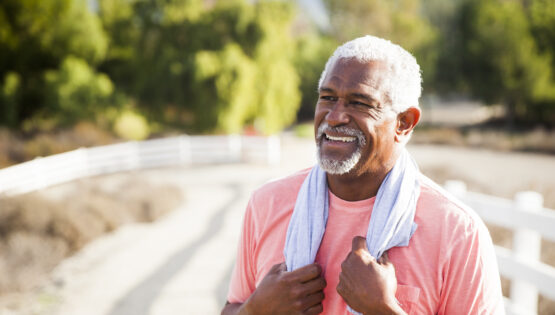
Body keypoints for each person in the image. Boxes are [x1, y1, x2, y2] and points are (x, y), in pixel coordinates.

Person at [221, 35, 505, 315]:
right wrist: (256, 310)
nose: (334, 116)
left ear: (404, 123)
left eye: (359, 103)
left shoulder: (457, 231)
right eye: (327, 98)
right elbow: (233, 307)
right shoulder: (267, 203)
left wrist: (384, 310)